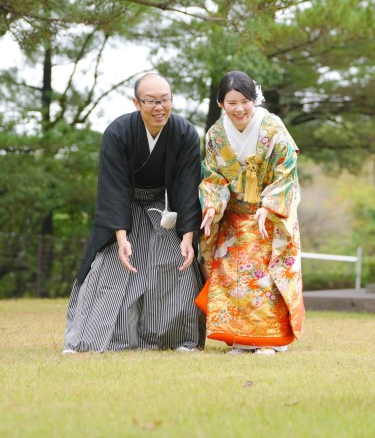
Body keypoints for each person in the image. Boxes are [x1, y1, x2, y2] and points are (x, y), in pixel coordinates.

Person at [63, 73, 205, 352]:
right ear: (137, 103)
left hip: (165, 209)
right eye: (151, 101)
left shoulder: (185, 132)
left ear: (172, 100)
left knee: (174, 264)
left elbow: (188, 187)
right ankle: (92, 339)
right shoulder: (118, 132)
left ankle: (174, 339)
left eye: (164, 100)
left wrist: (188, 236)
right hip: (124, 209)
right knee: (111, 268)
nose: (159, 107)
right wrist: (121, 236)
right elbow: (112, 187)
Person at [196, 70, 304, 355]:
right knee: (232, 276)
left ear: (254, 100)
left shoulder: (273, 129)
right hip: (233, 214)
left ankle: (269, 339)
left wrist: (269, 206)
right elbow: (213, 178)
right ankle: (241, 339)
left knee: (263, 277)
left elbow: (287, 171)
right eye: (231, 102)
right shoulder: (215, 136)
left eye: (245, 101)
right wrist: (210, 207)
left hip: (267, 215)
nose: (239, 108)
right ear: (221, 104)